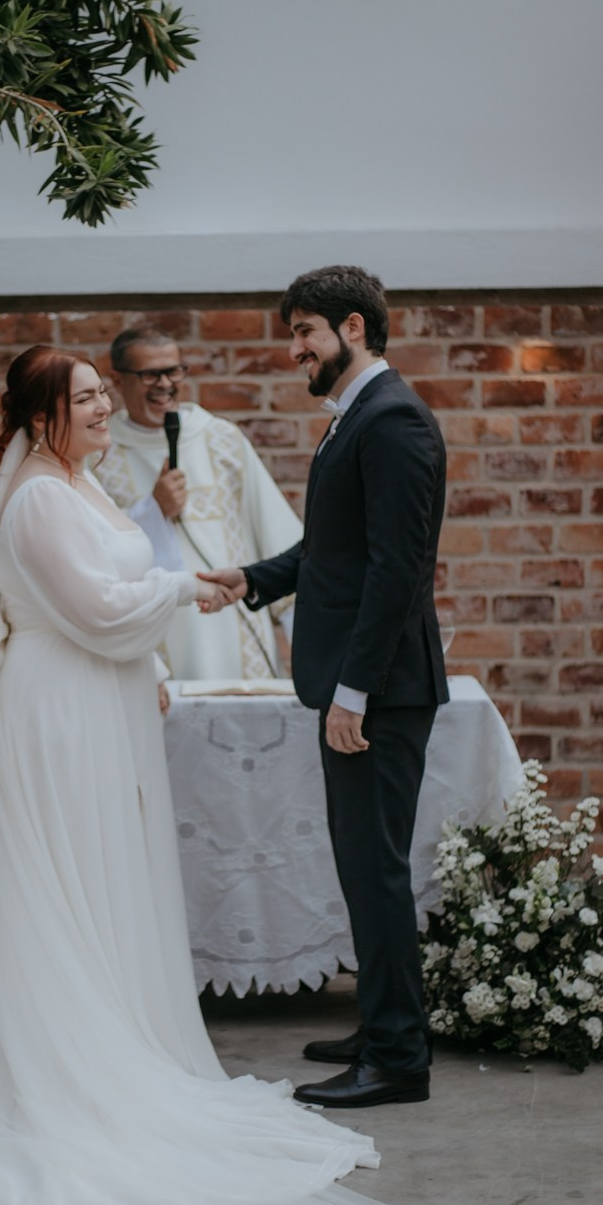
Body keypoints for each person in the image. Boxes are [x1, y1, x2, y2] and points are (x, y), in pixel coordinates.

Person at [0, 345, 526, 1205]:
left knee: (106, 888)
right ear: (39, 419)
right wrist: (187, 600)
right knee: (64, 888)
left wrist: (175, 629)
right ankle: (58, 1074)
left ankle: (111, 1044)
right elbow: (98, 609)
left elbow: (121, 588)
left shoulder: (79, 482)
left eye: (96, 398)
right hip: (59, 715)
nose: (98, 411)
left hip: (101, 701)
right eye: (81, 400)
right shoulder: (34, 501)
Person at [201, 266, 449, 1111]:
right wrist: (250, 578)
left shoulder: (393, 420)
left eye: (304, 332)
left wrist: (355, 692)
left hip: (378, 694)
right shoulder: (355, 419)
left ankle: (398, 1060)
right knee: (361, 869)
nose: (294, 350)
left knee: (376, 872)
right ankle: (384, 1025)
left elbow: (397, 572)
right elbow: (332, 552)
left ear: (353, 326)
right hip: (361, 688)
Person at [92, 327, 302, 679]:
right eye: (149, 374)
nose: (165, 384)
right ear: (117, 379)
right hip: (154, 646)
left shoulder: (222, 440)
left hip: (236, 636)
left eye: (173, 371)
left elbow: (279, 538)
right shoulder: (100, 456)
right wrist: (153, 511)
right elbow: (95, 553)